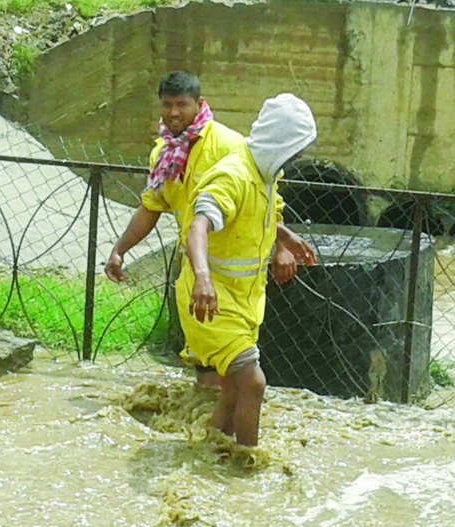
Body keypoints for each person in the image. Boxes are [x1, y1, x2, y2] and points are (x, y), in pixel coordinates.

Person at [104, 72, 313, 387]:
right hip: (196, 270)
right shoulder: (164, 155)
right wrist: (120, 250)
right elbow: (151, 207)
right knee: (210, 368)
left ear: (199, 104)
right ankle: (211, 431)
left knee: (238, 377)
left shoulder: (230, 146)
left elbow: (266, 200)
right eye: (167, 105)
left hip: (232, 280)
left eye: (182, 105)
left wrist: (281, 244)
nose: (174, 113)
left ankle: (220, 431)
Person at [179, 93, 318, 447]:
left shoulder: (265, 173)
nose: (298, 157)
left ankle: (215, 452)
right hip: (210, 301)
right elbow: (198, 227)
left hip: (241, 300)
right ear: (278, 141)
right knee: (253, 383)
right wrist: (203, 279)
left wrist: (285, 237)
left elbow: (260, 213)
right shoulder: (233, 175)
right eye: (295, 149)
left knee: (231, 390)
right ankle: (247, 463)